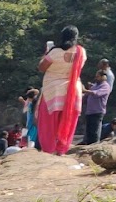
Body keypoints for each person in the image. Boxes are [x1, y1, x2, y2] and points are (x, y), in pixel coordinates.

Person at [36, 26, 87, 156]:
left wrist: (46, 53)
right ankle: (61, 150)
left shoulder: (55, 52)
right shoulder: (81, 52)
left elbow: (41, 68)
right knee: (68, 121)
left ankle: (49, 150)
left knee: (48, 123)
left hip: (53, 91)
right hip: (73, 91)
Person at [81, 67, 112, 145]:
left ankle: (94, 145)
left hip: (98, 111)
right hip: (89, 111)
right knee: (88, 130)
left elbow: (97, 93)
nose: (96, 78)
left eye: (98, 76)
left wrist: (85, 90)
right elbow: (87, 94)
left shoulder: (105, 86)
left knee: (95, 130)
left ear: (103, 77)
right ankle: (87, 144)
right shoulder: (95, 85)